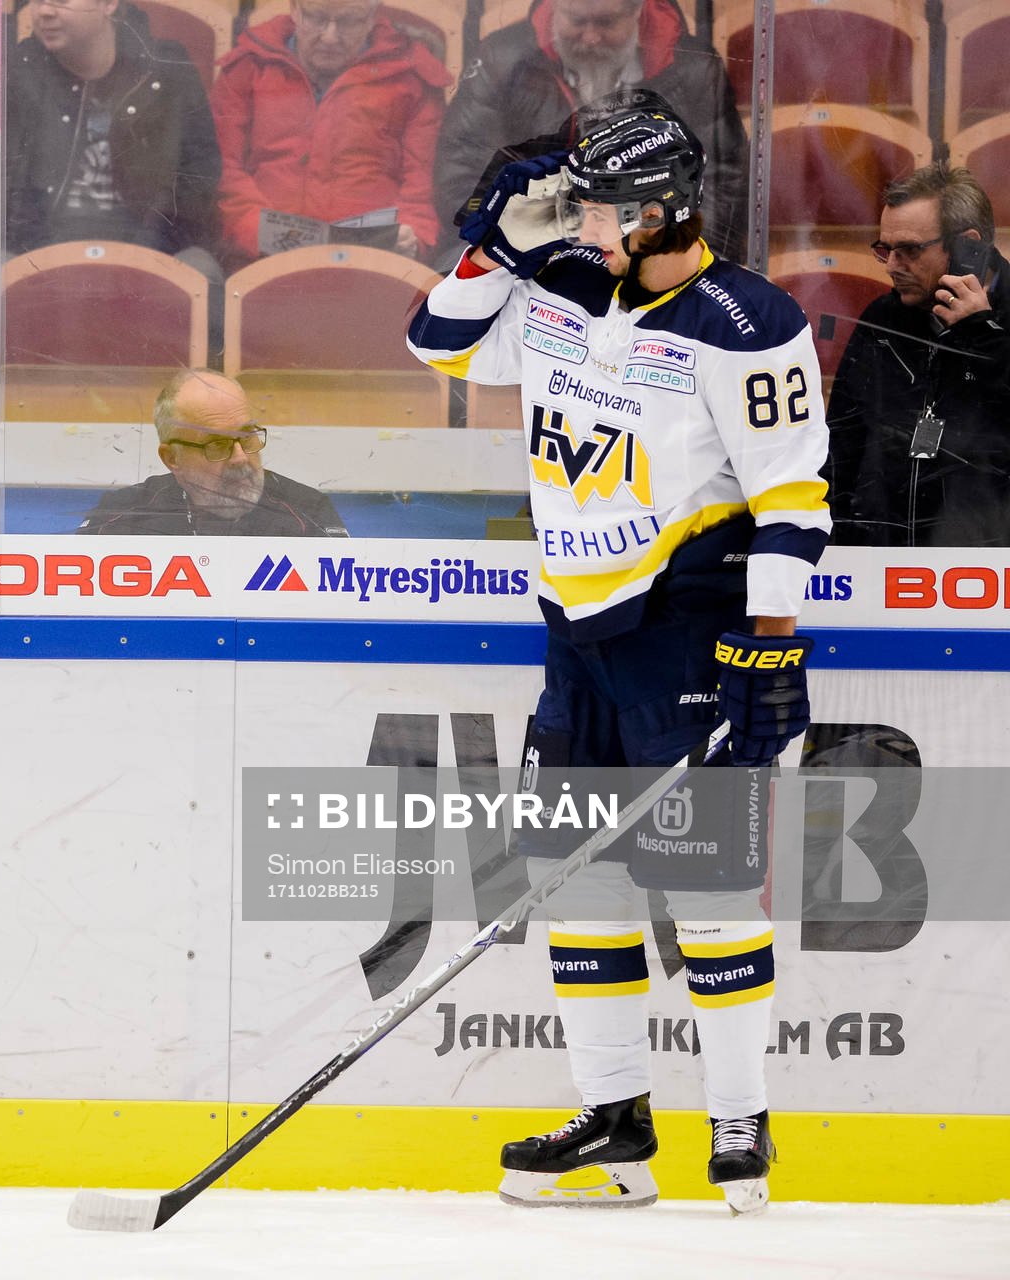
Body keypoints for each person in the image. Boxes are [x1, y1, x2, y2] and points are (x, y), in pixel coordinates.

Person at [406, 93, 831, 1213]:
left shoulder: (747, 322)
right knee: (578, 880)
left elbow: (793, 497)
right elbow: (437, 345)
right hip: (573, 631)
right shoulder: (562, 287)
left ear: (663, 208)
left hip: (684, 623)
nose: (581, 225)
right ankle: (615, 1116)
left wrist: (770, 641)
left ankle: (738, 1120)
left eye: (598, 209)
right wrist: (492, 248)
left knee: (706, 885)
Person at [432, 0, 746, 266]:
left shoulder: (693, 67)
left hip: (647, 249)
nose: (591, 37)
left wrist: (660, 251)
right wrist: (522, 243)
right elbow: (463, 171)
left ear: (636, 12)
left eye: (607, 23)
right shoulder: (502, 58)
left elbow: (723, 181)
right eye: (577, 21)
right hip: (531, 248)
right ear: (556, 8)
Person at [826, 164, 1010, 547]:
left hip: (988, 569)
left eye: (908, 250)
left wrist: (981, 338)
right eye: (884, 249)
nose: (892, 266)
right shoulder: (881, 321)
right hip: (880, 559)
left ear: (968, 247)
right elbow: (842, 446)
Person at [210, 0, 451, 263]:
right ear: (295, 11)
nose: (330, 36)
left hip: (375, 260)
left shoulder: (412, 77)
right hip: (258, 255)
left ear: (372, 18)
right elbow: (224, 171)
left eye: (348, 22)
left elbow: (422, 186)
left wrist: (412, 235)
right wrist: (255, 232)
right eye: (316, 18)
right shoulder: (247, 67)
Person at [6, 0, 222, 267]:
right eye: (37, 0)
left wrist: (145, 253)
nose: (45, 11)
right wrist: (49, 258)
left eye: (61, 0)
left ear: (108, 4)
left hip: (152, 252)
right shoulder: (13, 72)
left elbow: (197, 183)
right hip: (42, 254)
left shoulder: (167, 68)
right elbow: (2, 195)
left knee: (201, 267)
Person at [77, 368, 348, 535]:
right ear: (173, 458)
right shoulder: (120, 519)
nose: (241, 458)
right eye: (218, 445)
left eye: (247, 436)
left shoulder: (308, 512)